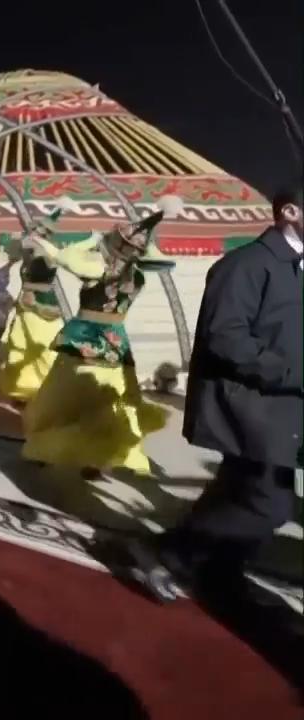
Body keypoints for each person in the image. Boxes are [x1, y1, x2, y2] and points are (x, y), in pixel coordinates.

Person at [127, 189, 303, 604]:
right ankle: (167, 553)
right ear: (290, 212)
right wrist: (294, 372)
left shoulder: (295, 269)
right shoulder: (247, 265)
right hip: (251, 407)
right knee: (269, 505)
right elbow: (225, 337)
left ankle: (222, 571)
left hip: (281, 408)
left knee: (236, 491)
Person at [20, 197, 181, 477]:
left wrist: (53, 243)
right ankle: (95, 458)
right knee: (106, 402)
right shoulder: (138, 278)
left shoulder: (98, 268)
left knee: (61, 397)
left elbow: (65, 258)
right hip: (115, 341)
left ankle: (45, 447)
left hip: (84, 337)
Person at [0, 198, 78, 404]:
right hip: (26, 307)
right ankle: (23, 391)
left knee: (42, 348)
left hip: (43, 308)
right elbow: (13, 245)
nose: (30, 236)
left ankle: (43, 390)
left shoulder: (48, 255)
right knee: (18, 346)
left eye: (36, 234)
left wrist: (56, 215)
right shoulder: (29, 254)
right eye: (32, 232)